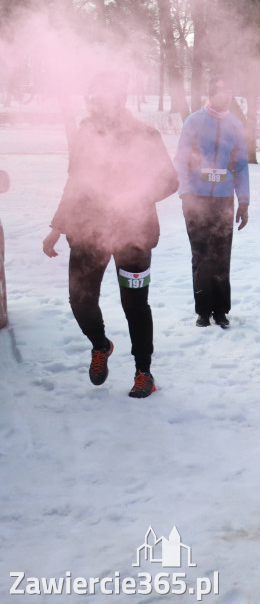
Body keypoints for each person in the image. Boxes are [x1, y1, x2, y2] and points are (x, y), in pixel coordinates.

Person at [42, 72, 179, 398]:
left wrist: (136, 196)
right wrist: (57, 227)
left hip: (134, 233)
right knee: (80, 299)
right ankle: (100, 345)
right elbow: (74, 181)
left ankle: (143, 373)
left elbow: (170, 181)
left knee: (135, 305)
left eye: (99, 99)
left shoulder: (146, 135)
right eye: (91, 100)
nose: (93, 106)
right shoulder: (85, 134)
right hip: (87, 231)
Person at [174, 74, 250, 329]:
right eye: (220, 93)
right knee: (201, 255)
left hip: (223, 200)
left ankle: (221, 310)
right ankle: (203, 310)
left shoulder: (235, 125)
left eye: (229, 93)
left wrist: (245, 202)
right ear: (210, 94)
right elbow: (181, 159)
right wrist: (185, 193)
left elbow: (240, 166)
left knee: (221, 255)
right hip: (196, 198)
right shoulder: (194, 121)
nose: (225, 97)